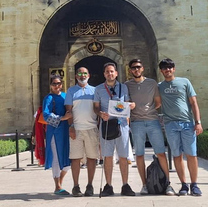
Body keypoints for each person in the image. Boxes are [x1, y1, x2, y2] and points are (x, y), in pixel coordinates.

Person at [125, 59, 175, 195]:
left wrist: (147, 110)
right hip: (136, 123)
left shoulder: (151, 83)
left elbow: (158, 103)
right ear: (130, 70)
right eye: (133, 68)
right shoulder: (127, 85)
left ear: (142, 69)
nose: (136, 70)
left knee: (160, 153)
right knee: (139, 154)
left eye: (138, 67)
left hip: (152, 121)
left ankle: (168, 184)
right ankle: (144, 184)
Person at [158, 58, 203, 196]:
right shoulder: (159, 86)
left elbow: (193, 102)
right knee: (177, 155)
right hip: (170, 124)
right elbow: (155, 103)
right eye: (165, 68)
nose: (168, 70)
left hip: (187, 123)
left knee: (191, 155)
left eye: (170, 67)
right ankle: (184, 184)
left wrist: (198, 122)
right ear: (161, 71)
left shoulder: (184, 82)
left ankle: (194, 184)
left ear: (174, 68)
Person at [94, 62, 136, 196]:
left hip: (121, 124)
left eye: (112, 71)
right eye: (107, 72)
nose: (109, 74)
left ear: (116, 73)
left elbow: (128, 102)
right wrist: (100, 113)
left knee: (123, 156)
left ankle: (125, 185)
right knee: (107, 156)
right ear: (104, 74)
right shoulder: (99, 89)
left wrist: (131, 105)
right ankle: (108, 185)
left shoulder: (123, 87)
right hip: (106, 124)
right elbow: (95, 107)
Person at [65, 67, 98, 197]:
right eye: (80, 73)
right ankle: (76, 186)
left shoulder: (95, 90)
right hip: (77, 129)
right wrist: (71, 126)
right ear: (76, 75)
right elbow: (69, 110)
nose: (82, 75)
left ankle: (90, 185)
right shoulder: (71, 91)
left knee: (92, 157)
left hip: (91, 128)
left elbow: (97, 108)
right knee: (75, 158)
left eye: (85, 73)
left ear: (89, 75)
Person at [43, 74, 72, 195]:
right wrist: (62, 118)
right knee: (55, 157)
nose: (57, 86)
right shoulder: (49, 98)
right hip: (55, 131)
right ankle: (57, 186)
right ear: (51, 85)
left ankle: (60, 181)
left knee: (69, 159)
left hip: (66, 130)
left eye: (59, 83)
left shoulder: (66, 96)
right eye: (54, 84)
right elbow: (46, 115)